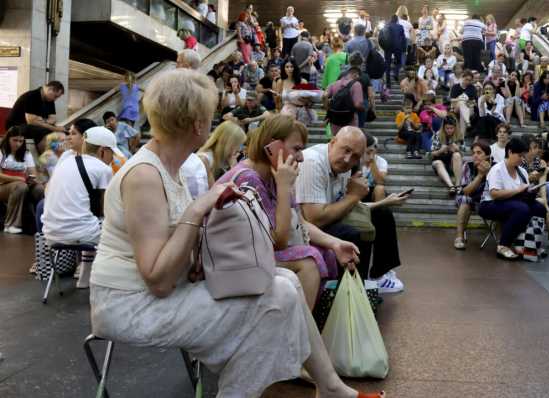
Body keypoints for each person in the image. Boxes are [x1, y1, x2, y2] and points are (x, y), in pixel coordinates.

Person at [89, 69, 384, 398]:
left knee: (286, 283)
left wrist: (196, 252)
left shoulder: (170, 167)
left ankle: (330, 387)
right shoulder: (145, 175)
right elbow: (157, 280)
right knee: (280, 293)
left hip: (159, 293)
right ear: (197, 124)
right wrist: (197, 211)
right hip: (129, 306)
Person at [218, 116, 359, 310]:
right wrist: (284, 187)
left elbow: (300, 222)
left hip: (254, 254)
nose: (301, 157)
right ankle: (300, 331)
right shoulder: (248, 179)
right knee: (309, 259)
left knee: (326, 251)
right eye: (297, 149)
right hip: (234, 261)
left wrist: (335, 243)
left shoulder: (273, 175)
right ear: (272, 147)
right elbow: (278, 241)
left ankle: (308, 324)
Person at [296, 127, 407, 293]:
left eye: (355, 156)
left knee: (382, 214)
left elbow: (348, 205)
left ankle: (379, 275)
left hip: (328, 214)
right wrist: (354, 196)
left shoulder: (345, 166)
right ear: (333, 142)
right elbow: (314, 219)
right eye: (345, 150)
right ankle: (353, 290)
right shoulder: (312, 163)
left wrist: (382, 202)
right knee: (353, 232)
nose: (348, 159)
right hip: (306, 226)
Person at [42, 127, 115, 288]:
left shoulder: (65, 161)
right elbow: (106, 209)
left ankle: (85, 275)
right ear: (103, 151)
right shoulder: (103, 169)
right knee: (112, 224)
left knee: (91, 221)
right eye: (112, 153)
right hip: (80, 234)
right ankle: (104, 279)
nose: (113, 157)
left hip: (50, 233)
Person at [478, 137, 546, 259]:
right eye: (519, 155)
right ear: (509, 152)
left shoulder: (522, 172)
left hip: (512, 202)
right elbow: (494, 194)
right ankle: (503, 245)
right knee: (521, 209)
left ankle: (530, 244)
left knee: (539, 208)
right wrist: (518, 190)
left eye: (523, 156)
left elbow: (523, 191)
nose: (522, 159)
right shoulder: (497, 169)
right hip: (489, 204)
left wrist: (530, 191)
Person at [0, 126, 44, 234]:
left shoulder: (26, 154)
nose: (18, 144)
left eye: (20, 141)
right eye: (15, 140)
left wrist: (32, 179)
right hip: (3, 186)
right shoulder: (1, 152)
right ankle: (10, 224)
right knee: (20, 186)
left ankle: (40, 225)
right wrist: (18, 178)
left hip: (22, 184)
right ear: (8, 139)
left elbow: (33, 173)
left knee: (39, 189)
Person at [5, 81, 66, 154]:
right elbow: (31, 121)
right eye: (55, 96)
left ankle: (55, 157)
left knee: (63, 132)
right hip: (16, 126)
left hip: (30, 126)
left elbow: (53, 119)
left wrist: (43, 120)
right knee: (43, 131)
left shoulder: (49, 100)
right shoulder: (32, 96)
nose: (55, 99)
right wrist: (54, 127)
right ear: (50, 89)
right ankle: (45, 162)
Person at [454, 141, 492, 250]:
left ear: (487, 155)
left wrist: (488, 172)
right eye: (473, 153)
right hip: (470, 197)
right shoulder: (468, 165)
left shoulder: (496, 166)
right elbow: (466, 191)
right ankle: (459, 237)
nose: (475, 155)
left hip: (489, 199)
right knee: (465, 199)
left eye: (479, 153)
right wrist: (480, 176)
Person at [323, 67, 364, 136]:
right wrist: (364, 108)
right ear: (355, 74)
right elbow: (357, 105)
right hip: (350, 120)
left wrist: (328, 109)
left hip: (335, 121)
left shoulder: (333, 84)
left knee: (338, 140)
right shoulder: (356, 84)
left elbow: (324, 96)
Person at [431, 116, 464, 196]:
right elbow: (431, 153)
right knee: (438, 162)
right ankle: (451, 186)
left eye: (451, 128)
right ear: (444, 127)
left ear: (455, 128)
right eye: (447, 128)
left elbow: (463, 152)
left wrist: (457, 149)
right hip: (439, 160)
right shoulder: (438, 134)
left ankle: (458, 185)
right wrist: (440, 151)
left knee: (457, 155)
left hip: (452, 162)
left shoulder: (459, 135)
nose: (449, 130)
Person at [449, 70, 478, 139]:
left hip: (469, 108)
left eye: (469, 80)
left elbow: (474, 102)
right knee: (462, 103)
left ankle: (461, 138)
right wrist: (461, 100)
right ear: (462, 77)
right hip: (456, 108)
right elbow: (452, 100)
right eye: (466, 79)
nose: (467, 82)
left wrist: (465, 102)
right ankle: (467, 124)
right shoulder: (455, 87)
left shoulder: (472, 88)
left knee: (463, 110)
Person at [381, 15, 406, 89]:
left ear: (391, 19)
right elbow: (403, 39)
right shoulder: (400, 27)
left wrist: (383, 47)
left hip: (388, 47)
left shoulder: (386, 26)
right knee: (398, 62)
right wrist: (404, 49)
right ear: (397, 20)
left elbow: (381, 37)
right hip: (397, 47)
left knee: (387, 64)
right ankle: (396, 73)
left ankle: (388, 83)